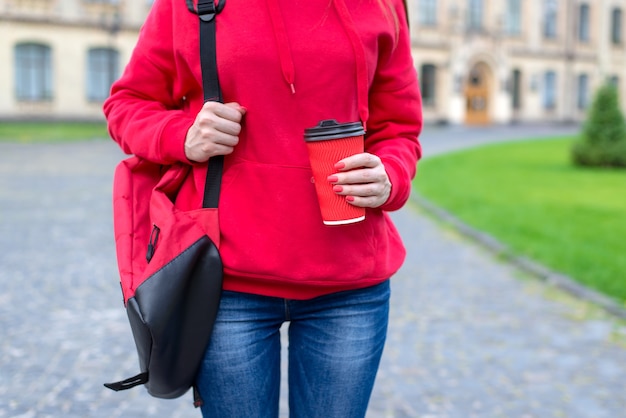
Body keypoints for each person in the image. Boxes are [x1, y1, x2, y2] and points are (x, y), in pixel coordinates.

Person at [103, 0, 422, 415]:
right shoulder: (192, 3)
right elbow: (127, 103)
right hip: (227, 283)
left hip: (350, 286)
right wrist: (181, 135)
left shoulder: (384, 5)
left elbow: (398, 128)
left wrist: (390, 174)